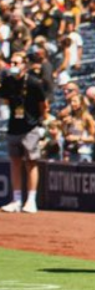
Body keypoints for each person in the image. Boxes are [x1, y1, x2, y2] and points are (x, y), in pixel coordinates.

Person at [0, 52, 48, 214]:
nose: (13, 66)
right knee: (15, 162)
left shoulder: (34, 83)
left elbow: (43, 105)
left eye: (16, 63)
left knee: (31, 162)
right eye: (12, 63)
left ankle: (31, 200)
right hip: (14, 126)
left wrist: (39, 122)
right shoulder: (8, 81)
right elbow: (5, 99)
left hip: (30, 126)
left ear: (24, 65)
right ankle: (16, 199)